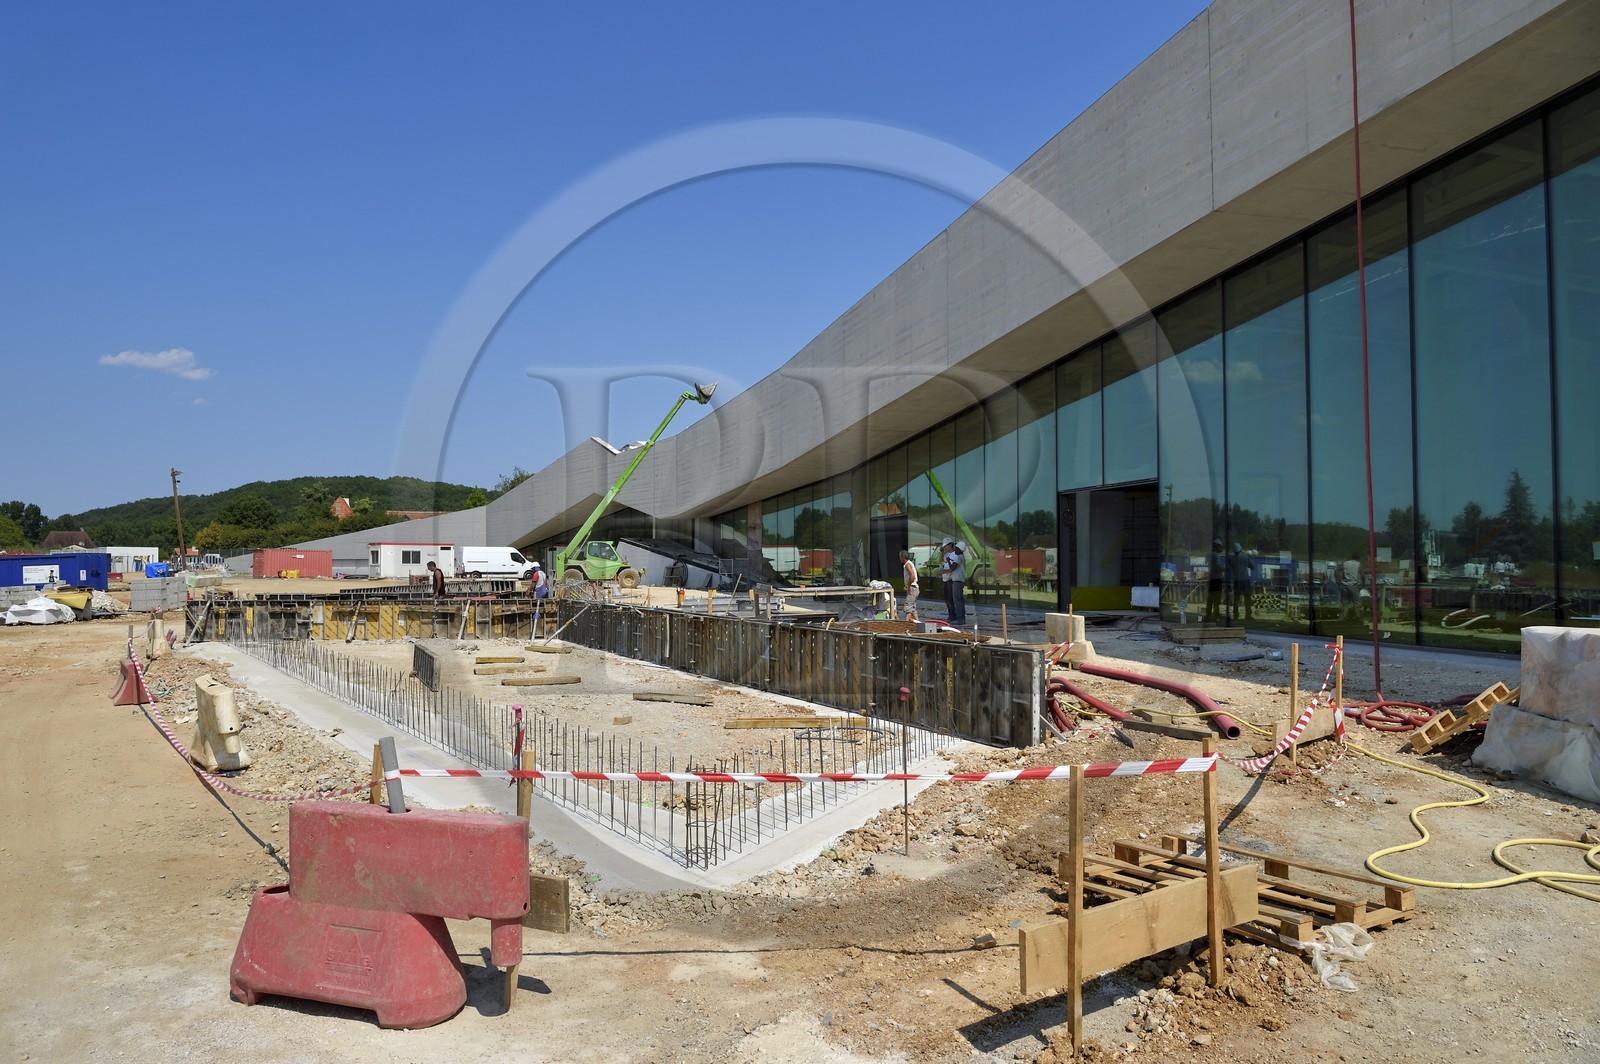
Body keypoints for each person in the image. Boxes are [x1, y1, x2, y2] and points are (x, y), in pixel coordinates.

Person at [941, 537, 968, 625]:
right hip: (956, 580)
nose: (955, 549)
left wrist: (948, 561)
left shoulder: (959, 557)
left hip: (957, 581)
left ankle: (960, 619)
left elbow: (952, 567)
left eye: (956, 548)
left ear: (959, 549)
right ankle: (959, 618)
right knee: (957, 600)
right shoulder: (959, 556)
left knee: (957, 600)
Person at [1229, 542, 1253, 621]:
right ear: (1240, 549)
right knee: (1247, 598)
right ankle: (1248, 615)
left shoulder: (1231, 559)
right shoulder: (1245, 557)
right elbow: (1252, 566)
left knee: (1236, 598)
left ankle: (1235, 615)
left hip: (1236, 581)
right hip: (1245, 580)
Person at [1204, 540, 1225, 623]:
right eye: (1220, 546)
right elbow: (1218, 566)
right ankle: (1216, 614)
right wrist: (1225, 569)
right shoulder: (1216, 555)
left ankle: (1208, 614)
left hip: (1211, 578)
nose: (1221, 548)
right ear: (1216, 546)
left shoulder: (1208, 554)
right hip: (1217, 578)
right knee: (1217, 597)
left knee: (1210, 598)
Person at [900, 549, 919, 621]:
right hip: (914, 589)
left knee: (908, 607)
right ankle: (918, 623)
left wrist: (907, 585)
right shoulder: (909, 564)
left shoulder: (907, 565)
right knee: (913, 608)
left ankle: (906, 623)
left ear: (903, 557)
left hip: (912, 588)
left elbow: (912, 576)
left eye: (900, 557)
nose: (899, 559)